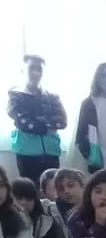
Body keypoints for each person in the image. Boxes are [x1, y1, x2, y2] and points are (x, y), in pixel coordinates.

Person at [6, 55, 67, 186]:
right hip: (27, 154)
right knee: (31, 192)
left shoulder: (52, 96)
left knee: (54, 190)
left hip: (51, 152)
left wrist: (35, 121)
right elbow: (23, 123)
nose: (36, 73)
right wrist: (46, 124)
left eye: (39, 69)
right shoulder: (16, 94)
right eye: (31, 68)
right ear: (23, 70)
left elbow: (62, 121)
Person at [10, 178, 74, 238]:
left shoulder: (47, 219)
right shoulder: (5, 221)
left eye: (29, 199)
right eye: (19, 198)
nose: (23, 202)